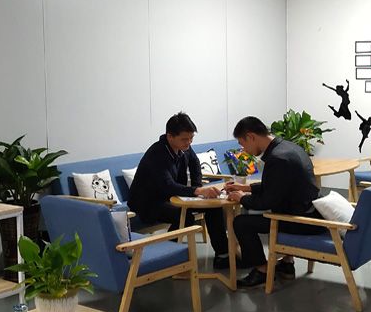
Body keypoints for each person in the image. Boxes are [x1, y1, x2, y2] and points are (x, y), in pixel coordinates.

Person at [224, 116, 322, 289]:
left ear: (251, 136)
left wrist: (241, 198)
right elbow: (279, 185)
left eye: (242, 144)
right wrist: (246, 188)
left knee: (241, 223)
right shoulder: (289, 147)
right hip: (311, 212)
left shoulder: (277, 158)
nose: (244, 150)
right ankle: (287, 264)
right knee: (276, 211)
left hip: (302, 221)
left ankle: (262, 270)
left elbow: (266, 202)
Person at [127, 112, 230, 265]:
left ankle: (223, 255)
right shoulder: (157, 154)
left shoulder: (183, 147)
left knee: (213, 207)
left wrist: (197, 186)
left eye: (191, 138)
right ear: (170, 136)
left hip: (171, 197)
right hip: (148, 203)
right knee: (184, 216)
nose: (188, 142)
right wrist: (198, 191)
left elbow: (195, 164)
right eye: (184, 139)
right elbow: (167, 185)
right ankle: (166, 257)